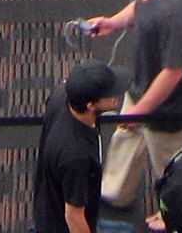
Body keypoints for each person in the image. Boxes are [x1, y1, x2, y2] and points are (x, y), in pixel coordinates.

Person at [81, 0, 182, 217]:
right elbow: (140, 6)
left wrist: (140, 113)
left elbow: (173, 72)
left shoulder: (173, 13)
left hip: (167, 109)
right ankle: (115, 192)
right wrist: (114, 22)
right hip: (141, 90)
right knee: (125, 143)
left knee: (172, 168)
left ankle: (173, 213)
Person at [32, 62, 120, 233]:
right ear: (90, 105)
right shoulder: (77, 157)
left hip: (49, 202)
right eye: (109, 94)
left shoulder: (63, 95)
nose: (116, 95)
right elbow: (73, 216)